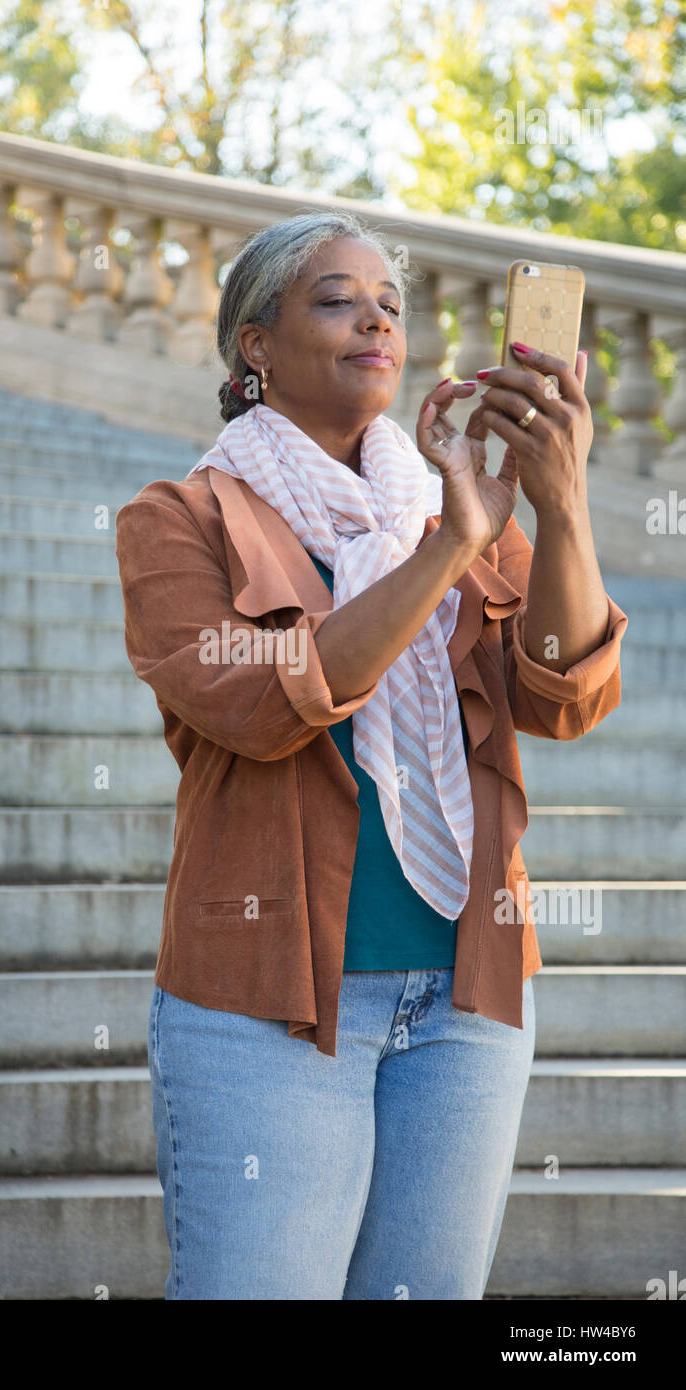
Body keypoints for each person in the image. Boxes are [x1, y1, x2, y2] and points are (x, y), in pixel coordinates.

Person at [115, 210, 627, 1300]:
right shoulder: (177, 521)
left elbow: (564, 690)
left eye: (388, 303)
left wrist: (558, 497)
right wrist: (452, 544)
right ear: (254, 344)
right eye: (337, 298)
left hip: (467, 1001)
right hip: (267, 1006)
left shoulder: (443, 501)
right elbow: (264, 701)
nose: (376, 319)